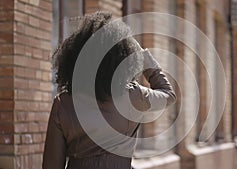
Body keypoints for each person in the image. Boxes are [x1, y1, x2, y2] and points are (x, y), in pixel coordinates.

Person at [42, 11, 176, 169]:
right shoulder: (134, 96)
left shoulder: (63, 103)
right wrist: (142, 56)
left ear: (75, 59)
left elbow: (51, 164)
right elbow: (168, 94)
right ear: (122, 58)